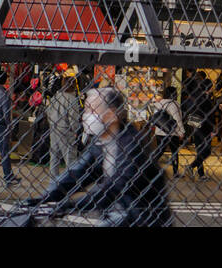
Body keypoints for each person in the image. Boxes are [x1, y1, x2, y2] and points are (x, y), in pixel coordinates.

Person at [21, 86, 171, 226]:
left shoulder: (132, 144)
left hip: (142, 218)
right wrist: (47, 197)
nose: (86, 116)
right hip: (118, 215)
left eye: (92, 110)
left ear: (111, 115)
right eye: (86, 110)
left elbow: (111, 189)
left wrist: (68, 205)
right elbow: (78, 172)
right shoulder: (101, 140)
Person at [45, 75, 82, 179]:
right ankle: (72, 180)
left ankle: (54, 179)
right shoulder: (72, 99)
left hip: (54, 128)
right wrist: (75, 130)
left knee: (54, 156)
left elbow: (48, 112)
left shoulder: (56, 96)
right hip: (66, 130)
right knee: (70, 157)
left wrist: (51, 123)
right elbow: (73, 117)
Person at [183, 71, 218, 179]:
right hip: (205, 128)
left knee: (199, 150)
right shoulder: (207, 100)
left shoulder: (195, 97)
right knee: (206, 151)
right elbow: (210, 116)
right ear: (209, 88)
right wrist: (213, 129)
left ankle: (201, 174)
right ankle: (191, 166)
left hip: (195, 125)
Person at [148, 84, 185, 176]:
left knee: (160, 151)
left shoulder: (158, 103)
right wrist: (182, 132)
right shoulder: (174, 104)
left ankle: (149, 167)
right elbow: (178, 119)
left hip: (160, 131)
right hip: (173, 132)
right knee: (174, 152)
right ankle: (175, 172)